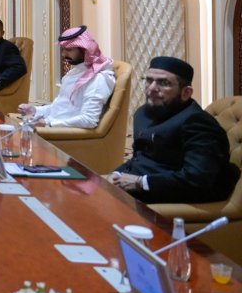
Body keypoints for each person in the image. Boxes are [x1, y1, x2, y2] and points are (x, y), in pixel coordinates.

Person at [110, 56, 239, 204]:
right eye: (149, 80)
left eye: (163, 83)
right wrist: (117, 173)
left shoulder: (197, 122)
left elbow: (197, 179)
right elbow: (139, 157)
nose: (151, 88)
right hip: (135, 186)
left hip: (170, 196)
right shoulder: (143, 113)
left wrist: (141, 182)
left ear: (186, 93)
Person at [18, 26, 113, 127]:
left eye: (69, 49)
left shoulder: (97, 79)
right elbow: (61, 107)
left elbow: (89, 120)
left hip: (64, 133)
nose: (63, 54)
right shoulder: (74, 73)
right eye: (62, 49)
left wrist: (47, 124)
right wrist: (35, 110)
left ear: (85, 50)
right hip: (53, 125)